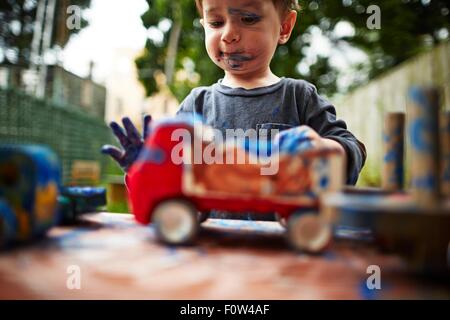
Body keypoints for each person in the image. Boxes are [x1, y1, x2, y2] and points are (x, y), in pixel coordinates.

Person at [102, 0, 367, 215]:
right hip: (211, 253)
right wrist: (145, 169)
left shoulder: (299, 97)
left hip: (283, 251)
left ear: (284, 27)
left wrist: (325, 151)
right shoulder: (196, 105)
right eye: (216, 22)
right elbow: (169, 184)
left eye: (249, 18)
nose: (228, 34)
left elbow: (351, 149)